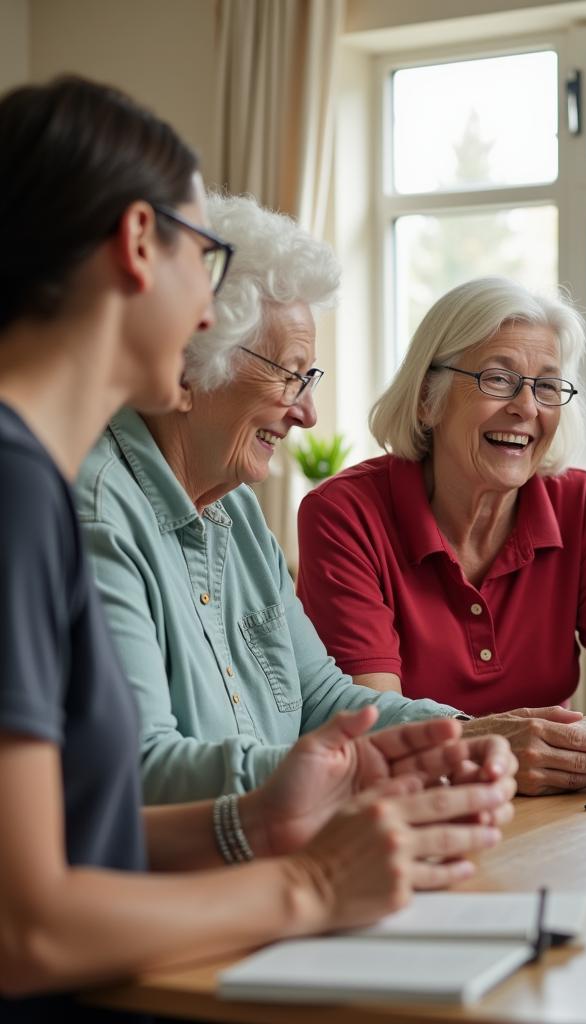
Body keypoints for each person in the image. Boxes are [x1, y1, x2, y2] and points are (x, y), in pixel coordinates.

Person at [0, 76, 515, 1022]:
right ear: (139, 247)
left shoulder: (32, 472)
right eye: (210, 257)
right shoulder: (28, 491)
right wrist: (313, 883)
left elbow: (85, 829)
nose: (209, 307)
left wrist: (259, 820)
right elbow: (23, 927)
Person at [76, 192, 481, 805]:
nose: (308, 413)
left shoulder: (232, 507)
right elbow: (143, 768)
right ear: (190, 365)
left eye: (309, 379)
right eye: (290, 374)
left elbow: (319, 698)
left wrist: (469, 739)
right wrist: (371, 769)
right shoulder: (97, 518)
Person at [297, 277, 586, 796]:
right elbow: (367, 718)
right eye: (497, 379)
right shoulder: (343, 513)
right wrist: (492, 746)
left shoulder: (581, 505)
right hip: (412, 802)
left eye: (548, 385)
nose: (527, 407)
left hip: (549, 806)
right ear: (428, 397)